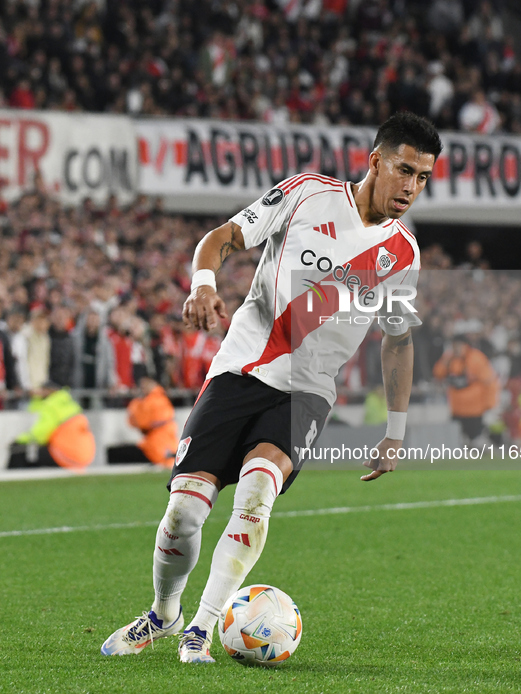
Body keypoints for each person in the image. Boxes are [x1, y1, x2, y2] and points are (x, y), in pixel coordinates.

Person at [101, 112, 443, 663]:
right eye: (405, 170)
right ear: (375, 161)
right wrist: (203, 286)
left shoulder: (403, 254)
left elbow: (397, 340)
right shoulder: (306, 194)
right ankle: (165, 614)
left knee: (258, 490)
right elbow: (222, 238)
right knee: (185, 513)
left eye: (424, 177)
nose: (411, 187)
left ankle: (204, 628)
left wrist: (395, 432)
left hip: (306, 391)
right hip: (241, 369)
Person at [433, 331, 500, 445]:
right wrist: (445, 361)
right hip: (457, 408)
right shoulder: (449, 359)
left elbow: (489, 382)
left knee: (476, 440)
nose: (457, 348)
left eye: (459, 345)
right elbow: (438, 373)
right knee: (458, 441)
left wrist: (490, 403)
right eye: (454, 345)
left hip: (475, 409)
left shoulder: (476, 358)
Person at [7, 383, 95, 469]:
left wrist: (19, 440)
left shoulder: (51, 406)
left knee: (18, 449)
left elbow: (41, 434)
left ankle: (13, 478)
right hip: (84, 456)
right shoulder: (68, 403)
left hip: (65, 454)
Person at [107, 375, 179, 468]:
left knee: (166, 461)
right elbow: (133, 421)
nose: (143, 387)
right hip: (150, 441)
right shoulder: (142, 400)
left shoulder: (159, 399)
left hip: (161, 441)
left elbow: (161, 421)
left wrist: (144, 424)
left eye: (145, 384)